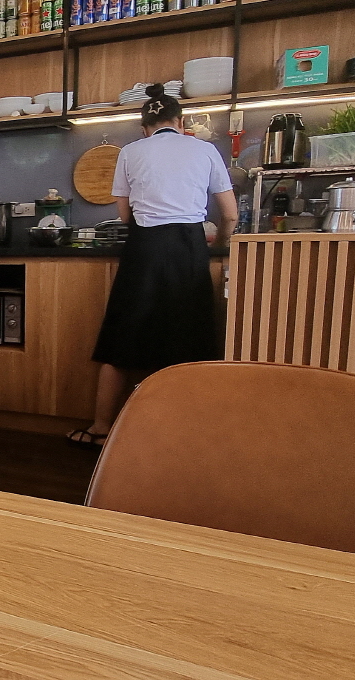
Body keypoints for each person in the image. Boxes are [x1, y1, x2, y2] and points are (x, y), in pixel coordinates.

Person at [67, 84, 239, 449]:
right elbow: (230, 214)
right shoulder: (205, 149)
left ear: (144, 127)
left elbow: (124, 214)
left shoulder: (130, 151)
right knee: (189, 340)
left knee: (120, 338)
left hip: (144, 249)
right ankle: (184, 435)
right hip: (189, 249)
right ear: (180, 122)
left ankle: (100, 428)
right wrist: (219, 245)